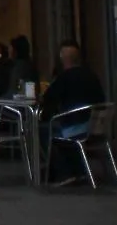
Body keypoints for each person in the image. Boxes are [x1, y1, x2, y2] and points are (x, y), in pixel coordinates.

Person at [38, 42, 107, 181]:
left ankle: (62, 170)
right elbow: (102, 100)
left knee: (41, 129)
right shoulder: (92, 76)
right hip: (96, 128)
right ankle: (76, 167)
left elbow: (48, 99)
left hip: (75, 129)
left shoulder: (64, 78)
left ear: (63, 59)